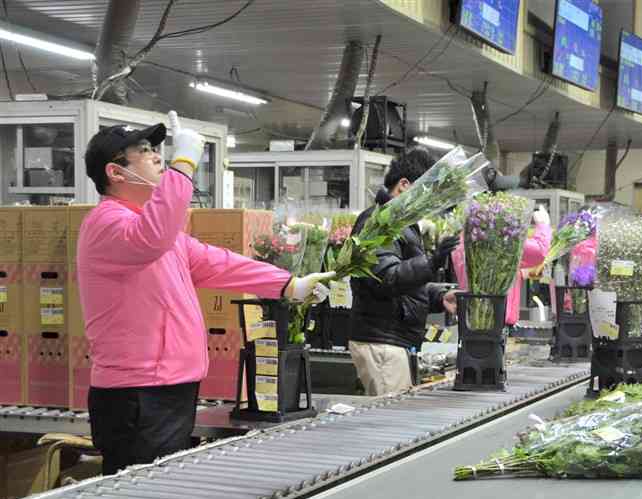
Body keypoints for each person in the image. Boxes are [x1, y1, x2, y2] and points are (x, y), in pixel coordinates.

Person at [78, 112, 334, 475]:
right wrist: (182, 166)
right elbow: (154, 235)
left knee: (161, 493)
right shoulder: (108, 225)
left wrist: (289, 284)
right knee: (143, 497)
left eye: (158, 150)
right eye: (144, 151)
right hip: (137, 393)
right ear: (116, 172)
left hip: (169, 388)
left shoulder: (156, 234)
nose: (157, 157)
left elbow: (219, 263)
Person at [349, 148, 459, 396]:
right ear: (404, 185)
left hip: (392, 341)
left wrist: (439, 297)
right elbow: (385, 278)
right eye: (427, 194)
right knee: (386, 423)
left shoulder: (401, 223)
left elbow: (404, 286)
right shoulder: (377, 222)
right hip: (382, 343)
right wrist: (431, 264)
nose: (429, 204)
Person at [451, 204, 552, 326]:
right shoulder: (500, 238)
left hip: (470, 317)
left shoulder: (463, 239)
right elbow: (539, 251)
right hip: (497, 318)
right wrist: (543, 225)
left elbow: (483, 273)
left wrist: (518, 273)